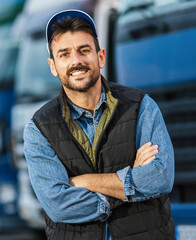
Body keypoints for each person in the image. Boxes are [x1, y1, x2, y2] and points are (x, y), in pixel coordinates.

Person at [23, 9, 175, 240]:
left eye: (84, 50)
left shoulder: (140, 106)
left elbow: (160, 177)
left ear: (101, 57)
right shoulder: (39, 128)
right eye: (64, 54)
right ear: (53, 66)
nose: (76, 61)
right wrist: (128, 184)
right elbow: (58, 205)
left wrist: (85, 183)